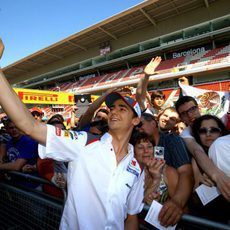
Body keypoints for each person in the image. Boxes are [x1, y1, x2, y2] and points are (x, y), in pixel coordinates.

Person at [0, 39, 144, 228]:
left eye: (122, 109)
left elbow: (131, 216)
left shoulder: (136, 167)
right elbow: (30, 126)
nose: (114, 111)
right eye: (112, 108)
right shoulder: (83, 143)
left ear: (136, 121)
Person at [137, 112, 193, 227]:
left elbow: (186, 172)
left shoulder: (171, 140)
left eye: (140, 124)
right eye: (141, 147)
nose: (138, 128)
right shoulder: (134, 164)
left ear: (153, 123)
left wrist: (177, 202)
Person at [175, 95, 230, 201]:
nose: (190, 115)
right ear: (181, 118)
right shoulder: (186, 134)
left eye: (192, 109)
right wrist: (217, 176)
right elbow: (197, 152)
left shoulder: (218, 122)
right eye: (184, 113)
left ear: (198, 108)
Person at [190, 115, 230, 223]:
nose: (208, 134)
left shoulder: (224, 148)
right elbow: (194, 200)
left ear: (221, 133)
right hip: (208, 219)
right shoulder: (195, 159)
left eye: (214, 130)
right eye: (203, 131)